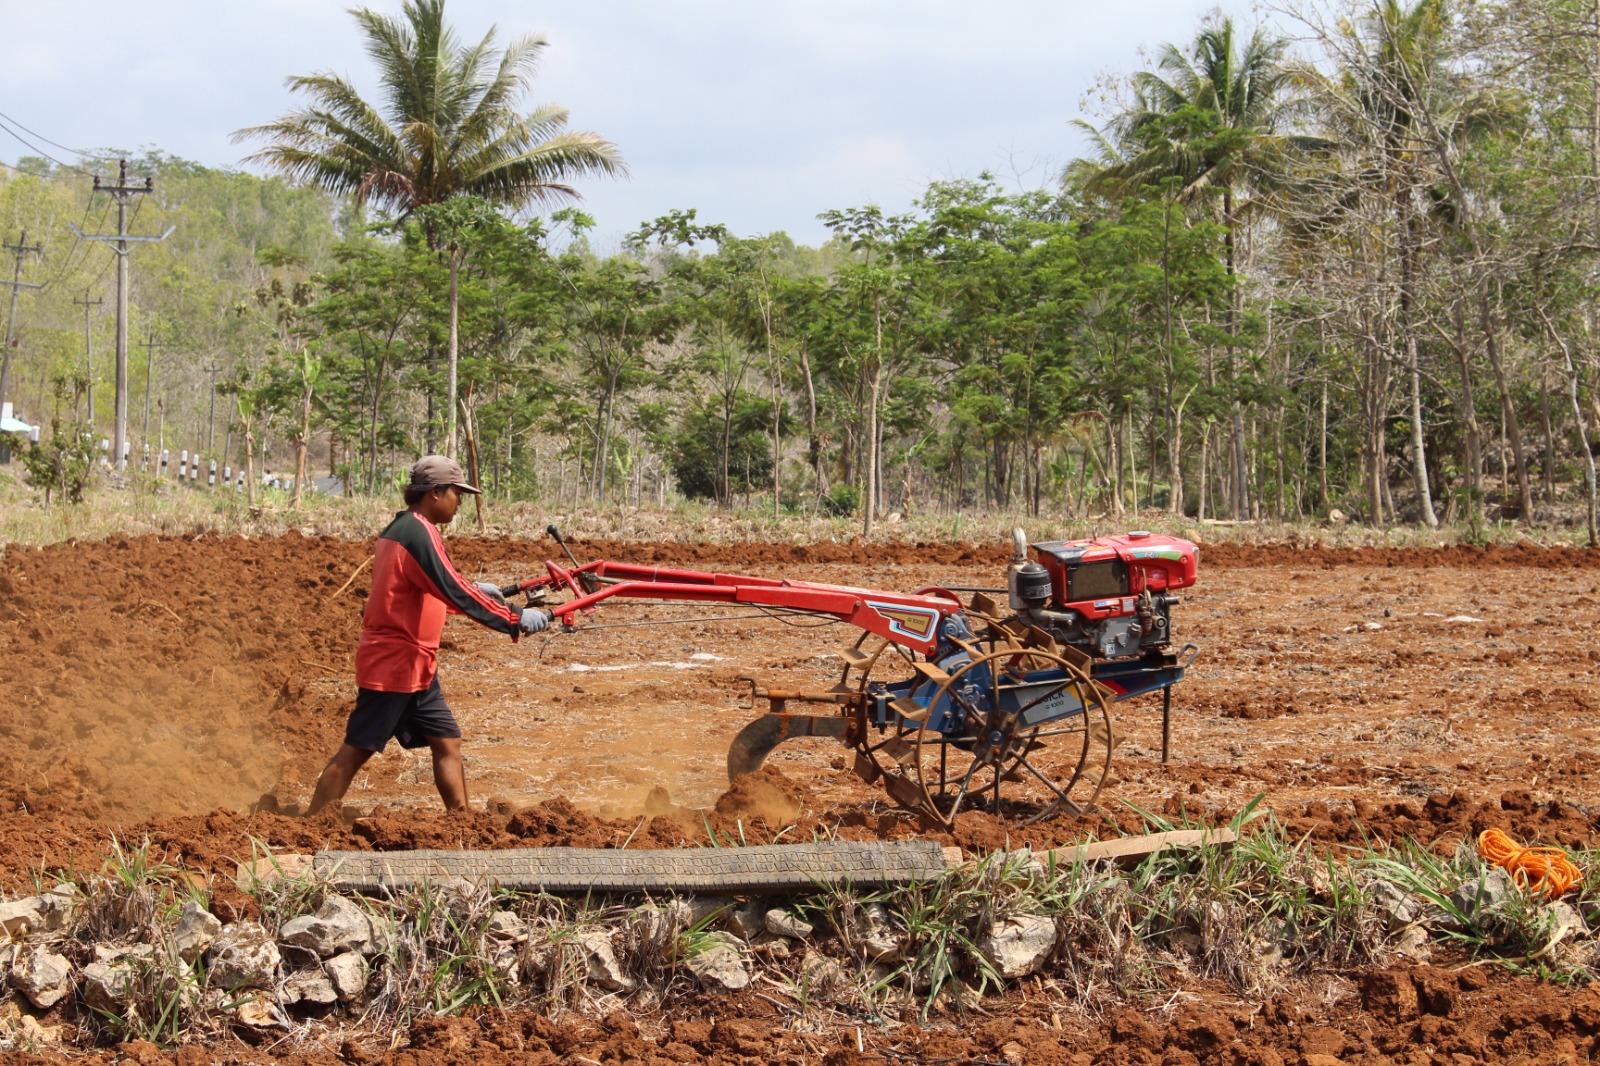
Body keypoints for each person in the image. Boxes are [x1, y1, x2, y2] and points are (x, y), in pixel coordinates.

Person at [307, 455, 549, 815]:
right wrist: (514, 619)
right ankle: (310, 824)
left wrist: (480, 589)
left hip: (417, 665)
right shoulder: (419, 532)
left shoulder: (404, 527)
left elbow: (425, 588)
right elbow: (452, 588)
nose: (460, 502)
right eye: (457, 493)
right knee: (356, 750)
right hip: (395, 665)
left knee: (447, 740)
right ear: (435, 493)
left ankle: (462, 822)